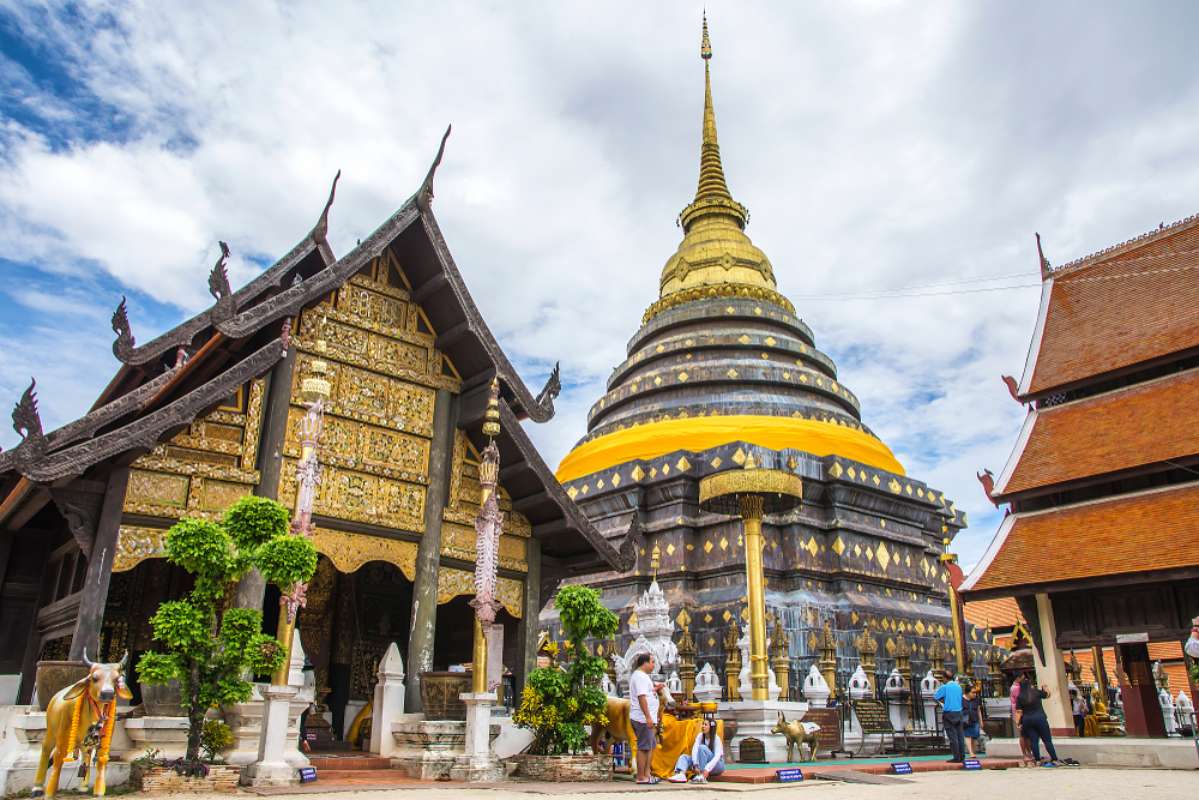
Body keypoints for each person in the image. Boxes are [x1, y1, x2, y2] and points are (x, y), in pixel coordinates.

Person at [629, 652, 661, 785]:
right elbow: (641, 697)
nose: (654, 665)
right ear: (645, 663)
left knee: (650, 746)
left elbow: (646, 693)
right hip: (642, 718)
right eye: (652, 662)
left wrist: (655, 689)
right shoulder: (640, 677)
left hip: (647, 718)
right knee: (643, 747)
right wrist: (648, 716)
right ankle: (641, 776)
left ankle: (647, 774)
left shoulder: (642, 676)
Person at [1015, 676, 1060, 766]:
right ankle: (1054, 758)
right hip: (1040, 718)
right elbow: (1047, 695)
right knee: (1047, 740)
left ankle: (1037, 760)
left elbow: (1019, 712)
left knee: (1034, 740)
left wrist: (1018, 723)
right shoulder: (1036, 692)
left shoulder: (1020, 697)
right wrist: (1045, 688)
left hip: (1027, 720)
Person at [668, 717, 724, 784]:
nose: (703, 726)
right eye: (703, 724)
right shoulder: (700, 736)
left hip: (716, 766)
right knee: (684, 757)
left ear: (711, 727)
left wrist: (707, 769)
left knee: (702, 748)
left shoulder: (716, 739)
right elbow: (695, 749)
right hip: (701, 763)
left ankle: (701, 776)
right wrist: (695, 764)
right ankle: (681, 774)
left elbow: (717, 757)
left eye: (706, 725)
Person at [933, 672, 965, 763]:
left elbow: (935, 697)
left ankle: (956, 757)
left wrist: (944, 701)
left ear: (945, 678)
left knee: (952, 736)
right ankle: (962, 756)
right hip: (959, 712)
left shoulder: (945, 687)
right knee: (960, 735)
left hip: (949, 713)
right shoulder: (958, 687)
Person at [1010, 674, 1034, 765]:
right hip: (1019, 713)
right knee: (1023, 735)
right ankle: (1026, 753)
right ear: (1018, 678)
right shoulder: (1016, 688)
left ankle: (1029, 752)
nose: (1024, 679)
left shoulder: (1016, 687)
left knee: (1026, 735)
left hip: (1021, 712)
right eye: (1022, 677)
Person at [962, 683, 982, 757]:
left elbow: (978, 710)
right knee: (967, 735)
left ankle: (973, 751)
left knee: (974, 735)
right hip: (965, 720)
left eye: (975, 693)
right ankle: (970, 752)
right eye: (973, 692)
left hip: (975, 719)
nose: (975, 694)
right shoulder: (961, 699)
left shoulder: (976, 700)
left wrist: (981, 721)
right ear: (967, 693)